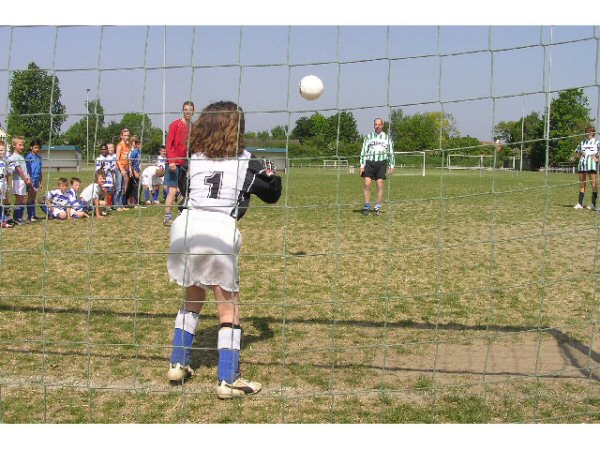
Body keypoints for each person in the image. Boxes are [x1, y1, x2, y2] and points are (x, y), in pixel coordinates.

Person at [166, 100, 281, 400]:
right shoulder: (246, 160)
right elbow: (272, 195)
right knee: (228, 307)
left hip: (186, 225)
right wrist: (271, 173)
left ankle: (178, 363)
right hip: (218, 230)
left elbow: (183, 184)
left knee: (193, 296)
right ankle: (228, 379)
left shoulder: (194, 156)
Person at [164, 101, 195, 226]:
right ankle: (167, 217)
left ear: (194, 111)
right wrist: (171, 161)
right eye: (186, 109)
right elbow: (168, 145)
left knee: (187, 190)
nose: (188, 112)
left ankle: (182, 214)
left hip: (186, 164)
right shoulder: (175, 125)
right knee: (172, 191)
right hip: (174, 163)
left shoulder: (193, 127)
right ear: (183, 110)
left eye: (190, 109)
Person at [359, 118, 395, 215]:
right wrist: (362, 165)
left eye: (379, 124)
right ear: (374, 125)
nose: (377, 126)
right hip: (369, 162)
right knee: (367, 184)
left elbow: (391, 153)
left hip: (381, 163)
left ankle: (377, 206)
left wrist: (392, 165)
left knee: (380, 184)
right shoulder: (368, 137)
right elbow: (363, 151)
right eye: (375, 124)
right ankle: (366, 206)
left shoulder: (387, 138)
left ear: (382, 125)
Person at [8, 136, 33, 225]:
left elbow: (24, 169)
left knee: (21, 200)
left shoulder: (21, 156)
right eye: (20, 145)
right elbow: (19, 170)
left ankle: (18, 217)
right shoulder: (14, 157)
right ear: (14, 145)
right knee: (19, 200)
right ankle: (16, 218)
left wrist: (28, 177)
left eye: (23, 145)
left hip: (22, 181)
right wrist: (25, 180)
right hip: (19, 181)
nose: (22, 147)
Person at [574, 125, 600, 210]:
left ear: (593, 133)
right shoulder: (582, 142)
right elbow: (577, 152)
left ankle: (593, 204)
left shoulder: (597, 142)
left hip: (592, 165)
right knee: (582, 184)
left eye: (590, 132)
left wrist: (597, 158)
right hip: (582, 165)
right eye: (587, 132)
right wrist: (579, 156)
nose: (589, 133)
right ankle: (580, 204)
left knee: (594, 184)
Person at [25, 139, 43, 223]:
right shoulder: (28, 157)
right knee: (30, 197)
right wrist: (29, 180)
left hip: (36, 180)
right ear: (31, 147)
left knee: (34, 197)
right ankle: (29, 216)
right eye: (35, 147)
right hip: (30, 180)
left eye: (38, 148)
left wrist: (41, 181)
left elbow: (40, 170)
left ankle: (33, 215)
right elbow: (27, 170)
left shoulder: (39, 157)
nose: (37, 149)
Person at [115, 128, 132, 210]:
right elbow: (117, 159)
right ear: (121, 136)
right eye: (125, 135)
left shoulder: (128, 146)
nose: (127, 137)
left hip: (125, 168)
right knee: (118, 187)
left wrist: (129, 169)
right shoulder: (119, 145)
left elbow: (127, 158)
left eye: (128, 135)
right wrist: (121, 169)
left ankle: (122, 205)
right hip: (119, 168)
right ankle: (116, 205)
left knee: (123, 188)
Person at [0, 141, 12, 228]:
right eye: (0, 150)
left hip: (4, 184)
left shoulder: (5, 161)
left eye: (3, 150)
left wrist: (7, 185)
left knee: (4, 201)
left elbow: (8, 173)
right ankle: (2, 220)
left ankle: (5, 218)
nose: (2, 152)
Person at [127, 136, 142, 206]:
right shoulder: (133, 152)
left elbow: (138, 162)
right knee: (134, 187)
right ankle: (133, 203)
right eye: (137, 142)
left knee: (138, 187)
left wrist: (139, 171)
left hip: (137, 171)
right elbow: (130, 162)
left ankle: (136, 202)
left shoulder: (138, 151)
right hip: (132, 172)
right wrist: (133, 172)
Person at [106, 143, 118, 208]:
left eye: (112, 147)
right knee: (109, 190)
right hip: (109, 176)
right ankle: (108, 205)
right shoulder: (106, 157)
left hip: (116, 175)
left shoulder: (116, 156)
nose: (110, 149)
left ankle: (114, 203)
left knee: (115, 190)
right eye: (109, 148)